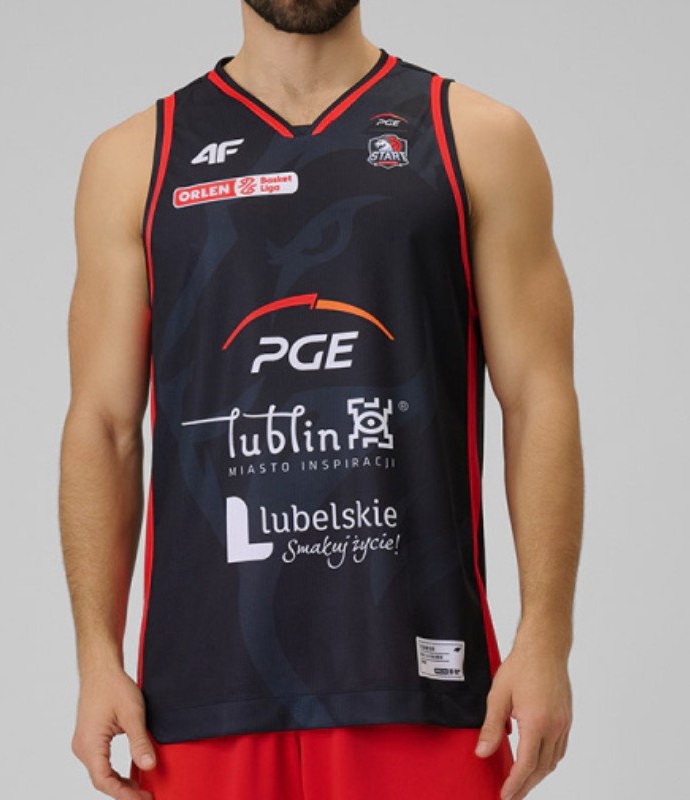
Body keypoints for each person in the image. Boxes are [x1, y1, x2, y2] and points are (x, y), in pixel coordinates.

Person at [58, 1, 584, 798]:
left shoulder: (473, 136)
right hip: (201, 691)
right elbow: (103, 425)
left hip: (421, 679)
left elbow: (538, 396)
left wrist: (545, 637)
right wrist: (96, 658)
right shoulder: (136, 157)